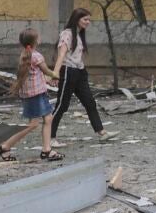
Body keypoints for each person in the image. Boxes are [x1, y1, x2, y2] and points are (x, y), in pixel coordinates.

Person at [0, 29, 63, 161]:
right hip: (36, 94)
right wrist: (55, 75)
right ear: (36, 41)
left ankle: (46, 150)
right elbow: (46, 70)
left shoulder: (25, 55)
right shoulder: (37, 56)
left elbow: (35, 75)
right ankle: (5, 147)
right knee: (33, 124)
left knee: (48, 119)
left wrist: (47, 80)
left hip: (32, 93)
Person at [50, 8, 119, 141]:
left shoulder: (79, 35)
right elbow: (61, 55)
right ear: (77, 19)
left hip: (80, 72)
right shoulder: (67, 34)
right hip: (68, 71)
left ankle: (102, 132)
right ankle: (50, 137)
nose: (88, 22)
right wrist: (55, 73)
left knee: (90, 102)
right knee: (62, 105)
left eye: (89, 20)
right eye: (85, 19)